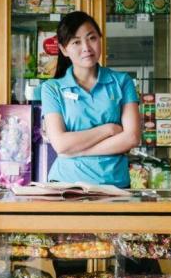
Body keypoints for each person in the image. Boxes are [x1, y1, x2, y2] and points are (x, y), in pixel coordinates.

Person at [40, 11, 141, 187]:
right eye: (76, 42)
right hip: (66, 185)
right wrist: (109, 129)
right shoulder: (52, 88)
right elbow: (61, 144)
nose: (86, 47)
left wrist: (74, 151)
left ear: (101, 39)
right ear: (64, 49)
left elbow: (131, 137)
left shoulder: (122, 81)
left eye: (92, 38)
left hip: (114, 184)